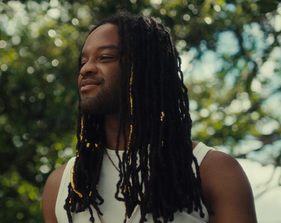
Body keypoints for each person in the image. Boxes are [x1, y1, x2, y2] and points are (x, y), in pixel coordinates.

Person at [42, 12, 257, 223]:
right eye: (83, 61)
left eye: (105, 57)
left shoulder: (213, 171)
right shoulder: (62, 184)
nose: (86, 69)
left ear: (146, 68)